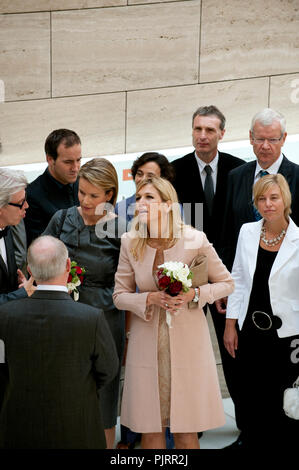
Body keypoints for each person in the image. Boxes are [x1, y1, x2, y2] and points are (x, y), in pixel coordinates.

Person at [113, 176, 234, 449]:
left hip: (188, 344)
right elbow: (119, 297)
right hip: (146, 345)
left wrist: (195, 295)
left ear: (168, 205)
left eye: (149, 198)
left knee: (186, 431)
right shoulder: (130, 241)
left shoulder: (194, 238)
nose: (140, 203)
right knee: (150, 431)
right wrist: (150, 298)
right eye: (138, 197)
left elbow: (227, 283)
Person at [0, 235, 119, 449]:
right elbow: (108, 370)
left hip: (19, 428)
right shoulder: (91, 318)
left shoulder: (5, 315)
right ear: (67, 265)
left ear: (30, 270)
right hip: (77, 427)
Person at [43, 158, 125, 449]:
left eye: (94, 195)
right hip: (62, 317)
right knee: (64, 386)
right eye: (82, 192)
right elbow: (41, 261)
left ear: (110, 195)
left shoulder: (122, 229)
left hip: (105, 319)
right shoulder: (62, 219)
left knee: (105, 393)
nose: (85, 200)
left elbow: (128, 279)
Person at [171, 105, 245, 430]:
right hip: (185, 280)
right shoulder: (173, 173)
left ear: (221, 134)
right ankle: (191, 423)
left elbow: (241, 228)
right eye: (197, 129)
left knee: (234, 354)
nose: (202, 136)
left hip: (226, 280)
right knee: (188, 356)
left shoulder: (239, 171)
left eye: (210, 130)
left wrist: (225, 283)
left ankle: (246, 423)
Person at [224, 174, 299, 449]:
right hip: (251, 330)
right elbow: (239, 279)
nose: (268, 204)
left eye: (274, 198)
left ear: (285, 200)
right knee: (253, 395)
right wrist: (230, 325)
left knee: (284, 398)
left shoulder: (298, 239)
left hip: (288, 334)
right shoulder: (247, 232)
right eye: (262, 199)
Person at [115, 152, 175, 449]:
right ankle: (130, 437)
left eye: (150, 177)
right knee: (141, 396)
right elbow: (121, 290)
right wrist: (146, 299)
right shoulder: (123, 222)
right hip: (139, 318)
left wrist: (194, 294)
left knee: (172, 406)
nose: (142, 181)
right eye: (139, 175)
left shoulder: (186, 232)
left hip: (176, 330)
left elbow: (213, 280)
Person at [221, 108, 299, 273]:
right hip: (244, 274)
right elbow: (227, 233)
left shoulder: (298, 176)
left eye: (272, 139)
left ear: (284, 138)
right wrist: (225, 280)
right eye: (260, 139)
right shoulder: (236, 176)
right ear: (251, 137)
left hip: (287, 274)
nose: (265, 146)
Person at [24, 128, 82, 246]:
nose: (75, 168)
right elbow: (39, 247)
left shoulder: (84, 183)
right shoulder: (32, 195)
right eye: (68, 162)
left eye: (78, 160)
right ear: (50, 159)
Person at [0, 168, 34, 306]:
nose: (26, 206)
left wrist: (21, 285)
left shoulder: (6, 229)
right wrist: (22, 293)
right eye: (21, 202)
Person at [116, 152, 175, 226]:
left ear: (163, 180)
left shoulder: (174, 207)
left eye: (150, 176)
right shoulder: (120, 208)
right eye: (139, 174)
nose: (143, 179)